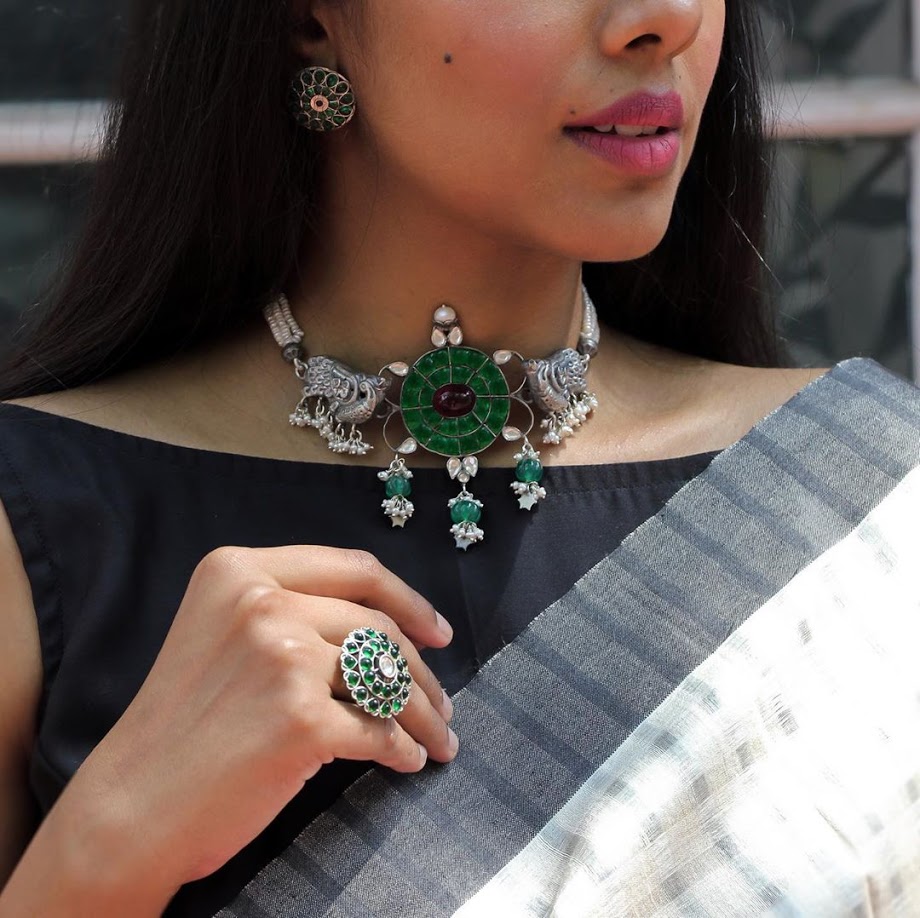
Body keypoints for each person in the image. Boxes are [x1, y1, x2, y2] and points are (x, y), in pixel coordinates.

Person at [0, 1, 918, 916]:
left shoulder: (872, 500)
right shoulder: (35, 522)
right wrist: (106, 843)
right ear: (308, 21)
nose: (666, 19)